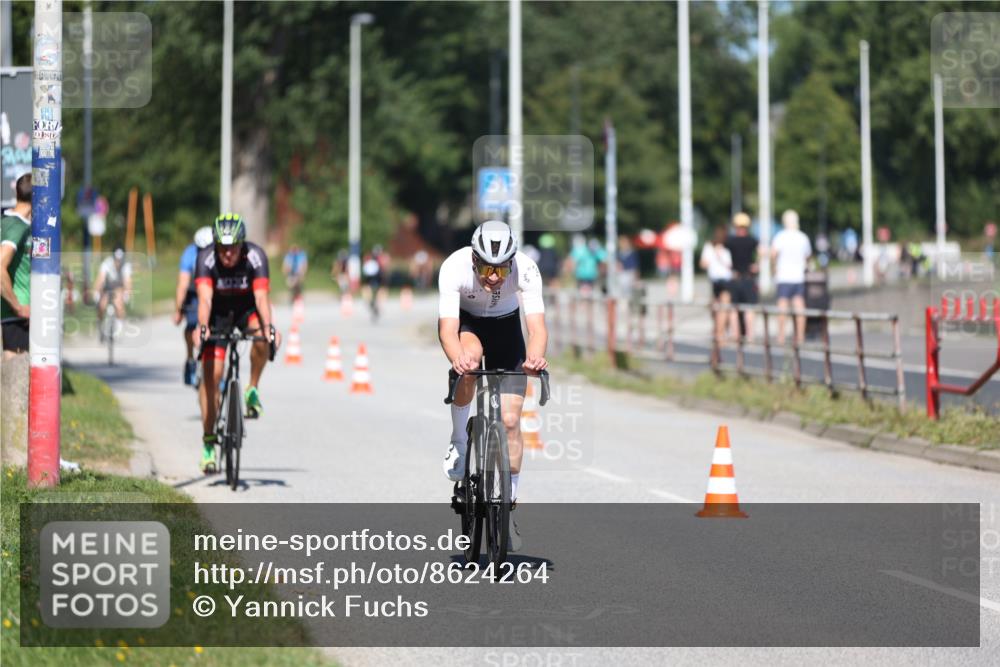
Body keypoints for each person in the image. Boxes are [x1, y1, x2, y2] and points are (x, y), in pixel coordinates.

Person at [438, 220, 547, 550]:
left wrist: (534, 359)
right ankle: (459, 441)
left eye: (501, 269)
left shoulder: (526, 269)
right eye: (486, 267)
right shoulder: (453, 267)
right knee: (469, 363)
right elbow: (447, 330)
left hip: (507, 328)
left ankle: (508, 500)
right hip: (468, 324)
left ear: (512, 261)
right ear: (474, 259)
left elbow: (538, 329)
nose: (494, 277)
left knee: (511, 421)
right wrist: (457, 358)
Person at [195, 213, 278, 474]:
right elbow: (205, 300)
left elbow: (262, 298)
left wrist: (269, 328)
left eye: (233, 248)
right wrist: (203, 327)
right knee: (213, 377)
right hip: (217, 313)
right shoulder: (206, 258)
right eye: (223, 247)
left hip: (245, 309)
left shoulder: (256, 256)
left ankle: (252, 388)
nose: (228, 254)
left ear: (242, 244)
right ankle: (209, 442)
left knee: (263, 338)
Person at [173, 226, 214, 386]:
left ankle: (220, 370)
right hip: (193, 293)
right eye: (201, 249)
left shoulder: (219, 254)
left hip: (212, 292)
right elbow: (182, 284)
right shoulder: (189, 254)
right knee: (191, 326)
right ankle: (190, 359)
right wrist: (178, 310)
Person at [1, 174, 31, 360]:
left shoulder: (7, 222)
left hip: (19, 316)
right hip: (18, 317)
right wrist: (18, 307)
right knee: (16, 383)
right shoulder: (17, 226)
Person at [771, 209, 812, 346]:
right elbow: (808, 257)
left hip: (783, 276)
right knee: (799, 306)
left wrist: (774, 269)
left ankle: (781, 336)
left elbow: (773, 254)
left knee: (782, 307)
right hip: (798, 276)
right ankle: (800, 336)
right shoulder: (803, 237)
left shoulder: (780, 237)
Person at [724, 212, 760, 342]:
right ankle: (750, 336)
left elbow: (722, 256)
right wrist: (757, 265)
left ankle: (735, 335)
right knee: (749, 309)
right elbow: (762, 253)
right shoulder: (752, 240)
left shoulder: (729, 241)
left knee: (734, 309)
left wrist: (728, 267)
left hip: (735, 278)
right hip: (748, 278)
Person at [699, 226, 733, 343]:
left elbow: (703, 264)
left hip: (717, 280)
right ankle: (719, 333)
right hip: (722, 280)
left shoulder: (723, 247)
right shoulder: (714, 247)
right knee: (721, 309)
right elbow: (704, 263)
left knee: (719, 308)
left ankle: (719, 332)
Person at [94, 247, 133, 339]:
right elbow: (101, 279)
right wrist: (97, 292)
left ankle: (118, 326)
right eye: (116, 259)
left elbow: (128, 282)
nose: (118, 262)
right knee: (102, 305)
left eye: (120, 260)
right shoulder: (107, 263)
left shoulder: (126, 265)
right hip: (107, 287)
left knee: (118, 303)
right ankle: (100, 325)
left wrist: (127, 294)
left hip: (119, 287)